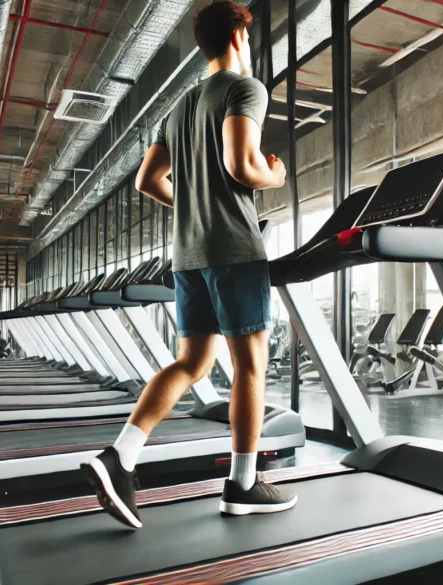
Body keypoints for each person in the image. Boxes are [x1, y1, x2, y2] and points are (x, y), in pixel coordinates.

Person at [81, 0, 293, 530]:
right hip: (235, 250)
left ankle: (120, 456)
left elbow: (148, 181)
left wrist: (195, 203)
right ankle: (243, 484)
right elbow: (240, 164)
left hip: (189, 255)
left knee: (191, 365)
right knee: (250, 366)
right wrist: (276, 176)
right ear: (241, 39)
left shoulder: (176, 109)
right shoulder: (247, 89)